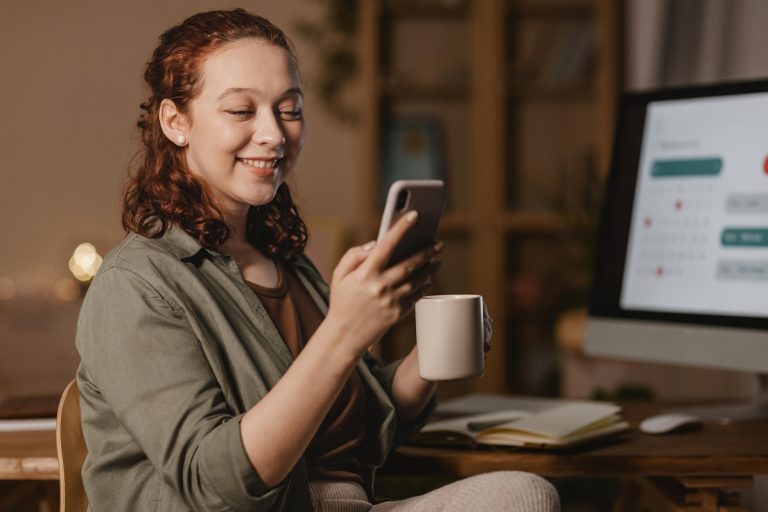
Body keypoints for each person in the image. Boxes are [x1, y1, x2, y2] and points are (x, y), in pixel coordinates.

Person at [75, 8, 560, 512]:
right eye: (241, 110)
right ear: (176, 122)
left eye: (289, 109)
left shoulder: (284, 261)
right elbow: (211, 485)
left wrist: (428, 360)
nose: (274, 134)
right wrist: (344, 331)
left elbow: (352, 429)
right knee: (522, 497)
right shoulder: (134, 286)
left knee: (522, 493)